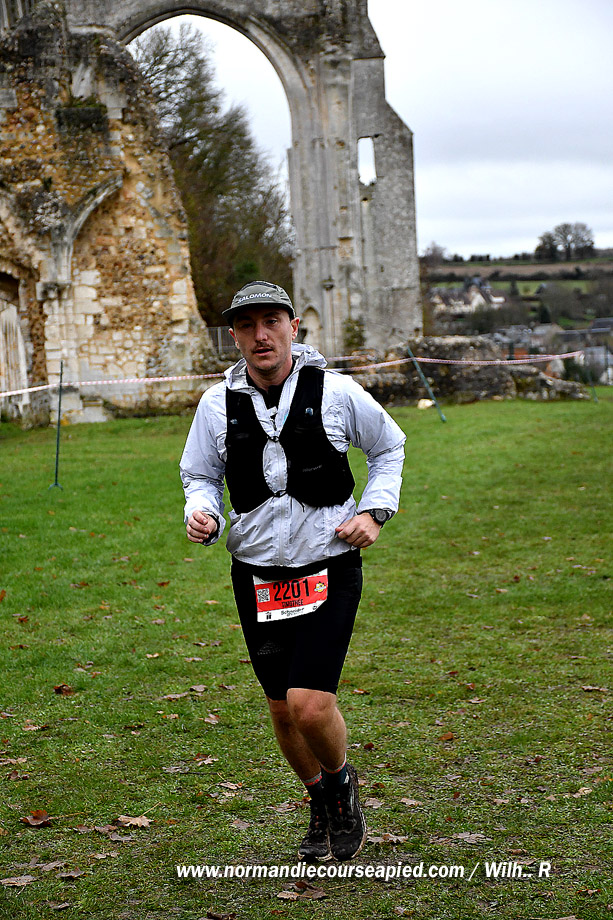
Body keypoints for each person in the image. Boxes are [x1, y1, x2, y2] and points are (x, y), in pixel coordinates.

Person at [180, 280, 405, 862]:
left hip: (329, 564)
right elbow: (199, 475)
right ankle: (320, 800)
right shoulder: (215, 404)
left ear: (292, 326)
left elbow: (388, 447)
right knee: (282, 710)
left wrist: (375, 511)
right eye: (247, 325)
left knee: (309, 704)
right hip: (257, 573)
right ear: (233, 335)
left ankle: (342, 785)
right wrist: (203, 511)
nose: (261, 335)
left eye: (272, 322)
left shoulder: (336, 391)